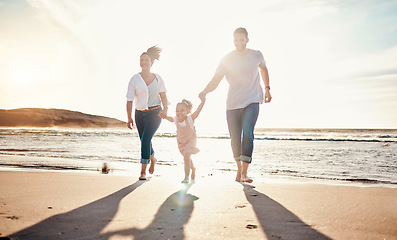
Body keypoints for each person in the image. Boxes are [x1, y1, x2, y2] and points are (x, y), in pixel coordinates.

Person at [199, 27, 272, 183]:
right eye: (236, 40)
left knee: (248, 132)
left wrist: (267, 89)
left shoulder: (256, 55)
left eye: (241, 39)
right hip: (233, 103)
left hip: (252, 100)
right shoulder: (226, 59)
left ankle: (245, 172)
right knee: (234, 138)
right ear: (233, 41)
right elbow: (216, 80)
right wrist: (205, 91)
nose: (239, 42)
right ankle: (239, 169)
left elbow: (264, 69)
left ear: (247, 39)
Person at [126, 46, 169, 180]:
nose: (143, 62)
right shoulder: (134, 79)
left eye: (146, 60)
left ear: (151, 63)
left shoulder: (158, 78)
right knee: (145, 140)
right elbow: (129, 100)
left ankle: (143, 171)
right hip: (140, 115)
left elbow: (163, 96)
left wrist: (165, 108)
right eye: (141, 60)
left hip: (155, 113)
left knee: (145, 139)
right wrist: (129, 118)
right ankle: (152, 158)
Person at [162, 97, 206, 183]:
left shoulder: (190, 119)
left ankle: (186, 177)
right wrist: (165, 116)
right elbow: (171, 119)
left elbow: (198, 111)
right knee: (186, 158)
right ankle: (193, 168)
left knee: (186, 156)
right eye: (177, 111)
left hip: (191, 141)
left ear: (188, 111)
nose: (179, 113)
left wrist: (202, 102)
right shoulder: (176, 119)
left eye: (182, 110)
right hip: (181, 143)